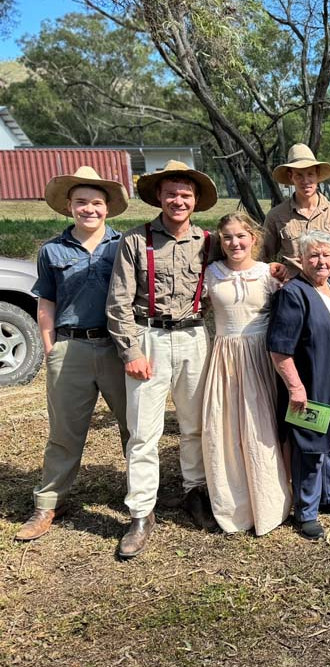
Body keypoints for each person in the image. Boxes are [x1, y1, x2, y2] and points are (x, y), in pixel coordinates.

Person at [106, 160, 221, 559]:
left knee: (194, 424)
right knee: (143, 432)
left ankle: (195, 492)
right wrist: (131, 351)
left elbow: (241, 265)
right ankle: (141, 511)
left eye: (185, 195)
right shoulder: (135, 241)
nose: (178, 200)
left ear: (195, 201)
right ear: (159, 196)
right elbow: (118, 303)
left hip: (193, 337)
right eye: (171, 193)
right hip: (148, 336)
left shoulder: (209, 241)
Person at [14, 167, 131, 542]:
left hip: (117, 347)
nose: (89, 209)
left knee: (135, 427)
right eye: (81, 202)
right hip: (71, 347)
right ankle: (49, 503)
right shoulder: (52, 250)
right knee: (64, 432)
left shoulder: (124, 246)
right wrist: (51, 348)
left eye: (96, 203)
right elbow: (46, 302)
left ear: (108, 208)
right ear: (69, 206)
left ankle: (142, 499)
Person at [268, 231, 330, 540]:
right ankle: (306, 510)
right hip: (312, 387)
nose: (321, 261)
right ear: (300, 259)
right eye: (313, 255)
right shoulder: (293, 293)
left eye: (326, 254)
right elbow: (280, 349)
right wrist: (296, 388)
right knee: (310, 447)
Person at [201, 212, 292, 536]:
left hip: (262, 356)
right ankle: (235, 505)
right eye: (227, 237)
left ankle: (270, 502)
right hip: (226, 358)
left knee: (262, 429)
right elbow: (198, 310)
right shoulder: (211, 273)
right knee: (226, 430)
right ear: (220, 241)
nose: (235, 242)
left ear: (254, 238)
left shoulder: (269, 274)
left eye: (241, 236)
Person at [261, 144, 330, 274]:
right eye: (299, 175)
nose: (305, 181)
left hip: (328, 285)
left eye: (310, 174)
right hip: (292, 286)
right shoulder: (276, 216)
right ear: (290, 176)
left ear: (317, 175)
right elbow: (263, 257)